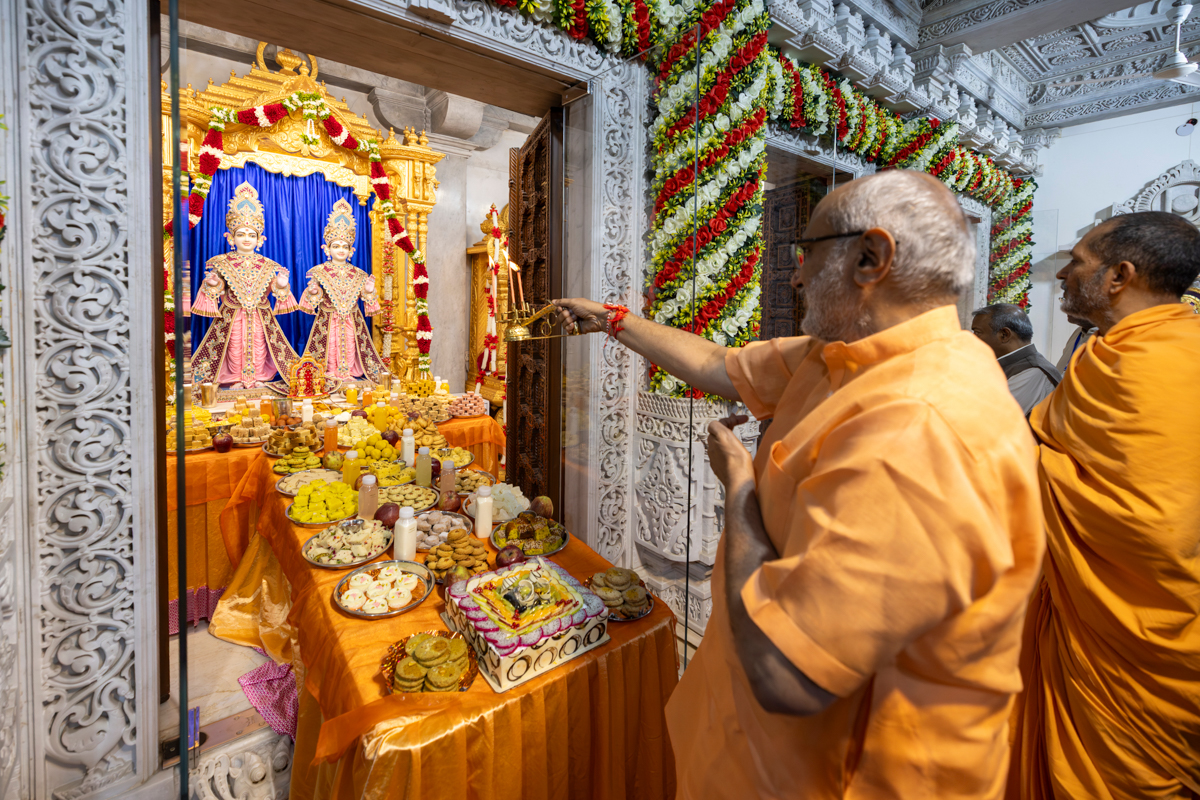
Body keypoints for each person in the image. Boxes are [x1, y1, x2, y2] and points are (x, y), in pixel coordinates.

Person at [555, 170, 1044, 799]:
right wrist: (611, 319)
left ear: (871, 258)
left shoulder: (920, 424)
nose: (794, 276)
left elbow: (786, 676)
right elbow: (714, 364)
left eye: (806, 254)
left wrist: (739, 487)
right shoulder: (842, 354)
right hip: (751, 751)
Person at [1007, 210, 1200, 800]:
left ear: (1119, 275)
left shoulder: (1162, 362)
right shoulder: (1102, 356)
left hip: (1146, 637)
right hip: (1081, 618)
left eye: (1079, 261)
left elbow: (1155, 529)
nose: (1064, 273)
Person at [191, 181, 300, 397]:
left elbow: (278, 293)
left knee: (260, 345)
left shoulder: (269, 265)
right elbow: (217, 291)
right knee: (233, 347)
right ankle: (236, 379)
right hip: (232, 315)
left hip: (260, 315)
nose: (247, 239)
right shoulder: (221, 262)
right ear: (231, 238)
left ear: (260, 239)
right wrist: (213, 285)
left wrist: (280, 285)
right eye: (241, 234)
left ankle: (258, 377)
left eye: (252, 234)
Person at [299, 198, 388, 383]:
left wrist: (370, 292)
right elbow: (310, 303)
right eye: (336, 246)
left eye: (345, 247)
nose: (341, 250)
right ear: (327, 249)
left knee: (350, 343)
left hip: (351, 319)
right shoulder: (319, 271)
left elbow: (370, 304)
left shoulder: (359, 274)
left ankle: (347, 374)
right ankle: (331, 373)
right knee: (330, 345)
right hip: (328, 318)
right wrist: (314, 292)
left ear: (351, 250)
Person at [970, 303, 1061, 415]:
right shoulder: (1008, 364)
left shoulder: (1033, 371)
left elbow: (988, 417)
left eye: (977, 332)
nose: (971, 338)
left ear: (1004, 335)